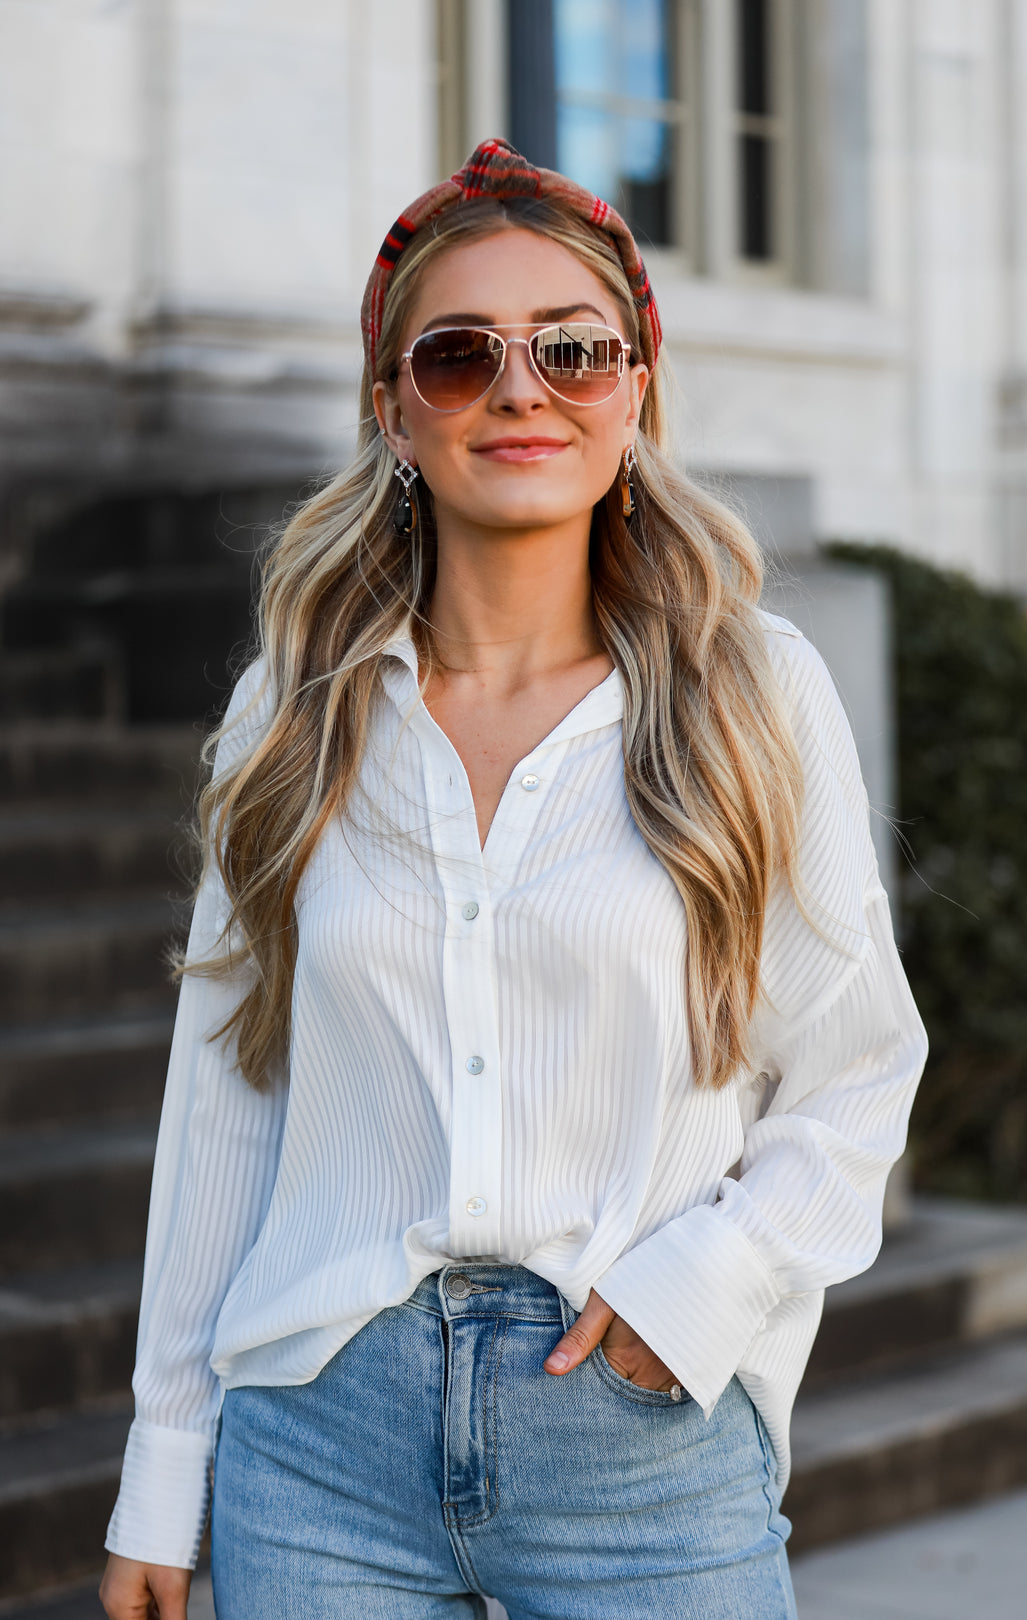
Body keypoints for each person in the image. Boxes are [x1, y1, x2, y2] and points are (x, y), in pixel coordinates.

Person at [99, 138, 927, 1620]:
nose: (521, 389)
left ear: (635, 396)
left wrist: (698, 1296)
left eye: (572, 349)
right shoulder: (293, 709)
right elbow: (228, 1095)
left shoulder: (757, 692)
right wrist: (167, 1462)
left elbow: (857, 1074)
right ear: (394, 413)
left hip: (643, 1445)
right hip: (319, 1441)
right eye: (460, 353)